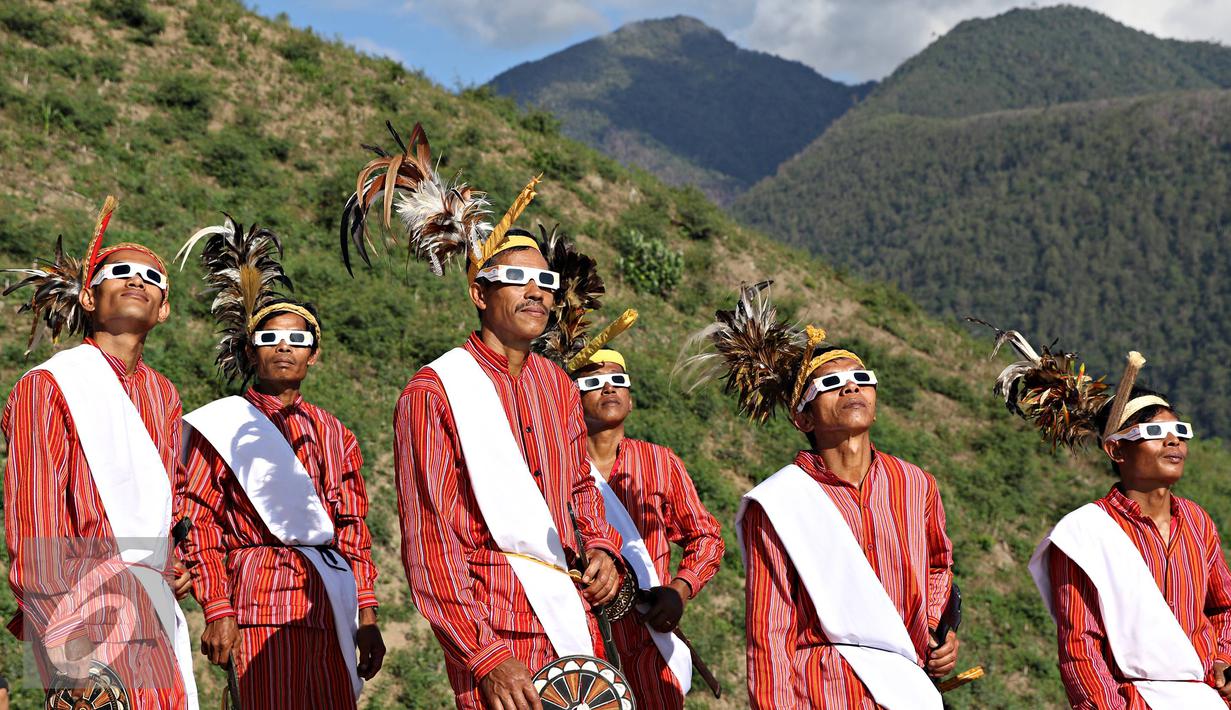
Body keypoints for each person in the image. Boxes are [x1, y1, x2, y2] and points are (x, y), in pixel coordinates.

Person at [340, 122, 626, 709]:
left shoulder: (558, 386)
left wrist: (601, 547)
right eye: (516, 280)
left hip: (573, 618)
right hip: (495, 627)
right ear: (479, 293)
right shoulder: (435, 392)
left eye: (546, 281)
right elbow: (431, 538)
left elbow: (580, 488)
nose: (536, 292)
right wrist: (485, 654)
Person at [678, 281, 958, 709]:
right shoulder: (779, 502)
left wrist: (936, 629)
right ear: (802, 419)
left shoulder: (916, 485)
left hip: (907, 686)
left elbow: (938, 565)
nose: (851, 388)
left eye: (861, 378)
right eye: (831, 383)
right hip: (822, 688)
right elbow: (770, 629)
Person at [176, 217, 384, 709]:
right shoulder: (221, 427)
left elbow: (353, 530)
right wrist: (218, 606)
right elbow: (199, 519)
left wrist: (367, 617)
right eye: (270, 339)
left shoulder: (335, 434)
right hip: (259, 603)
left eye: (297, 340)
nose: (284, 347)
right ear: (252, 353)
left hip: (329, 603)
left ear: (315, 354)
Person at [1, 197, 198, 708]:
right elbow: (35, 518)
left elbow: (167, 498)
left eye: (152, 278)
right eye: (119, 272)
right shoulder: (48, 384)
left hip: (152, 603)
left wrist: (175, 561)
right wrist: (65, 639)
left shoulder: (165, 395)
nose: (136, 281)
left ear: (164, 308)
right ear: (89, 297)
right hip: (79, 608)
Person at [974, 324, 1231, 708]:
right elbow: (1080, 644)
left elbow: (1223, 606)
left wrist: (1224, 658)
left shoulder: (1197, 522)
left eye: (1180, 430)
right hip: (1134, 699)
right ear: (1117, 450)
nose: (1173, 440)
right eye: (1154, 431)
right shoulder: (1084, 533)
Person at [568, 326, 725, 709]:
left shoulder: (659, 461)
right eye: (594, 383)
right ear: (570, 398)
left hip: (648, 636)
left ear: (631, 399)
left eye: (618, 381)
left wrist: (679, 590)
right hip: (577, 636)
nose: (609, 388)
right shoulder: (555, 466)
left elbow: (705, 537)